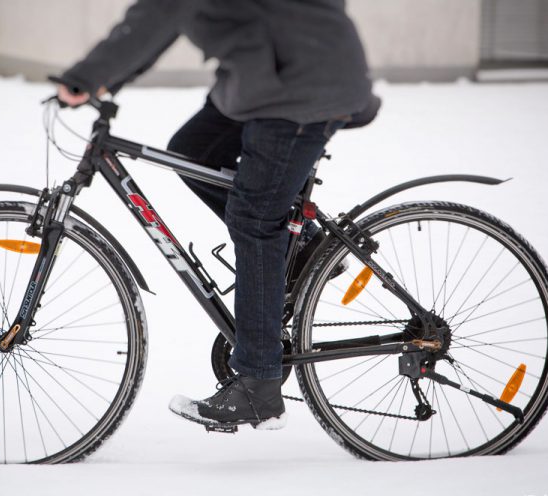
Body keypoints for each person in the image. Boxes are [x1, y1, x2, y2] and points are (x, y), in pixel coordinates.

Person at [56, 0, 373, 431]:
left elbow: (157, 13)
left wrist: (85, 78)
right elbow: (164, 21)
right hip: (270, 77)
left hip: (301, 88)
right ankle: (304, 251)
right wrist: (109, 79)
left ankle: (259, 385)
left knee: (256, 219)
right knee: (195, 150)